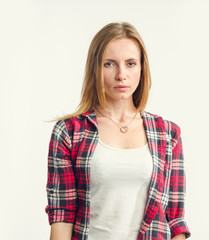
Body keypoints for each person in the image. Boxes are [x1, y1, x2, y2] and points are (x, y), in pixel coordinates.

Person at [45, 22, 190, 240]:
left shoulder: (168, 134)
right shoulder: (69, 132)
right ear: (95, 69)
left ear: (142, 68)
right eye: (109, 64)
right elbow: (62, 216)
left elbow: (175, 219)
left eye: (131, 63)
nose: (121, 74)